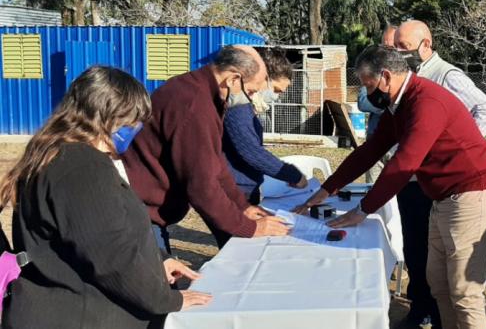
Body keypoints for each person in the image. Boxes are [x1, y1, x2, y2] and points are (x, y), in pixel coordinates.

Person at [294, 45, 486, 329]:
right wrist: (327, 189)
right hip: (444, 198)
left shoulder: (426, 101)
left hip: (472, 195)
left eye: (369, 85)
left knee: (464, 291)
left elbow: (404, 164)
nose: (368, 95)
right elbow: (371, 151)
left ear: (385, 76)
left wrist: (363, 209)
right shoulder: (401, 104)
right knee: (439, 285)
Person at [0, 66, 211, 329]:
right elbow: (111, 255)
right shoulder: (81, 164)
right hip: (80, 314)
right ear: (109, 115)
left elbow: (101, 231)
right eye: (133, 119)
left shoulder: (58, 154)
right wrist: (168, 300)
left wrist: (160, 260)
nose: (136, 128)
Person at [390, 20, 486, 327]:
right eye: (394, 46)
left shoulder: (447, 75)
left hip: (450, 185)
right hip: (417, 180)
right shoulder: (410, 78)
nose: (397, 52)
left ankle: (435, 316)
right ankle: (422, 310)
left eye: (403, 47)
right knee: (418, 254)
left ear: (426, 45)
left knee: (459, 283)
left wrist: (457, 148)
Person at [122, 45, 289, 252]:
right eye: (251, 91)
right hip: (140, 213)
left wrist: (243, 206)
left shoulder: (203, 94)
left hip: (148, 210)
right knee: (157, 283)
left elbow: (215, 163)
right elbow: (202, 185)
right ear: (233, 79)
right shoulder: (194, 105)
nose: (250, 98)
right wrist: (249, 228)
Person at [223, 47, 308, 208]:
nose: (276, 97)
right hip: (234, 190)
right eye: (276, 90)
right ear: (262, 77)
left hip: (244, 187)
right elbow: (251, 151)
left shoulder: (246, 104)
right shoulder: (237, 106)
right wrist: (293, 175)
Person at [359, 25, 397, 183]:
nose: (387, 50)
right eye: (384, 45)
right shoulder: (373, 68)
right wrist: (390, 105)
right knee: (371, 191)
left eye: (392, 46)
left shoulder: (409, 71)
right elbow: (363, 102)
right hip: (375, 141)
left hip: (398, 146)